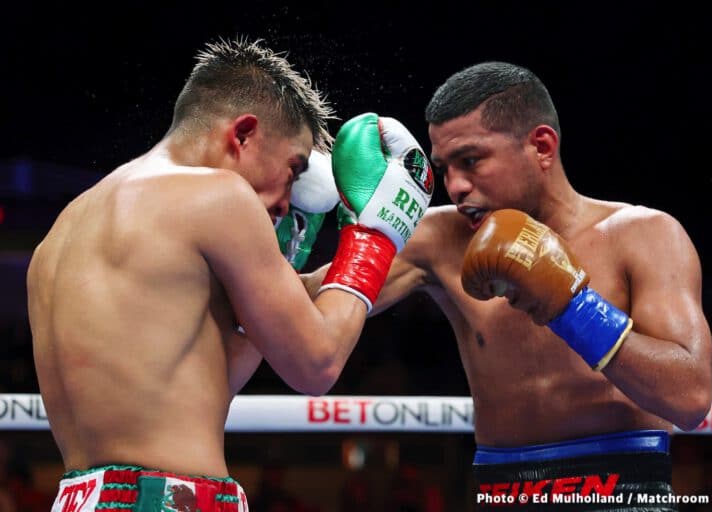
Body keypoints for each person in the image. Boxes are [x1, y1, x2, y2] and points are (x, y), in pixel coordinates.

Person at [26, 37, 431, 512]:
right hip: (170, 498)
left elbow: (214, 378)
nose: (286, 201)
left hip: (82, 498)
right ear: (242, 134)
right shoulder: (219, 196)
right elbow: (317, 363)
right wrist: (375, 236)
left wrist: (296, 262)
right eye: (293, 168)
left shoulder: (63, 231)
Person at [305, 62, 712, 510]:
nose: (456, 186)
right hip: (499, 492)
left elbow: (689, 398)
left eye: (472, 161)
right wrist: (299, 232)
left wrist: (572, 307)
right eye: (444, 168)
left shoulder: (643, 234)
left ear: (541, 146)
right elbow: (296, 309)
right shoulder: (440, 239)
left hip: (625, 492)